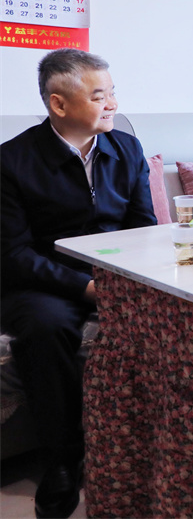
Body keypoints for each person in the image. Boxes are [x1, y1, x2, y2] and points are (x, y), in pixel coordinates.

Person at [1, 48, 157, 518]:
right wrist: (86, 289)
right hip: (41, 282)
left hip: (113, 275)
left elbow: (143, 228)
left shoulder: (126, 149)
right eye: (99, 96)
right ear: (59, 103)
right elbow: (14, 254)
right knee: (45, 329)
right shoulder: (12, 161)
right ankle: (62, 460)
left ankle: (144, 446)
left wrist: (134, 281)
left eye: (112, 93)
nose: (112, 104)